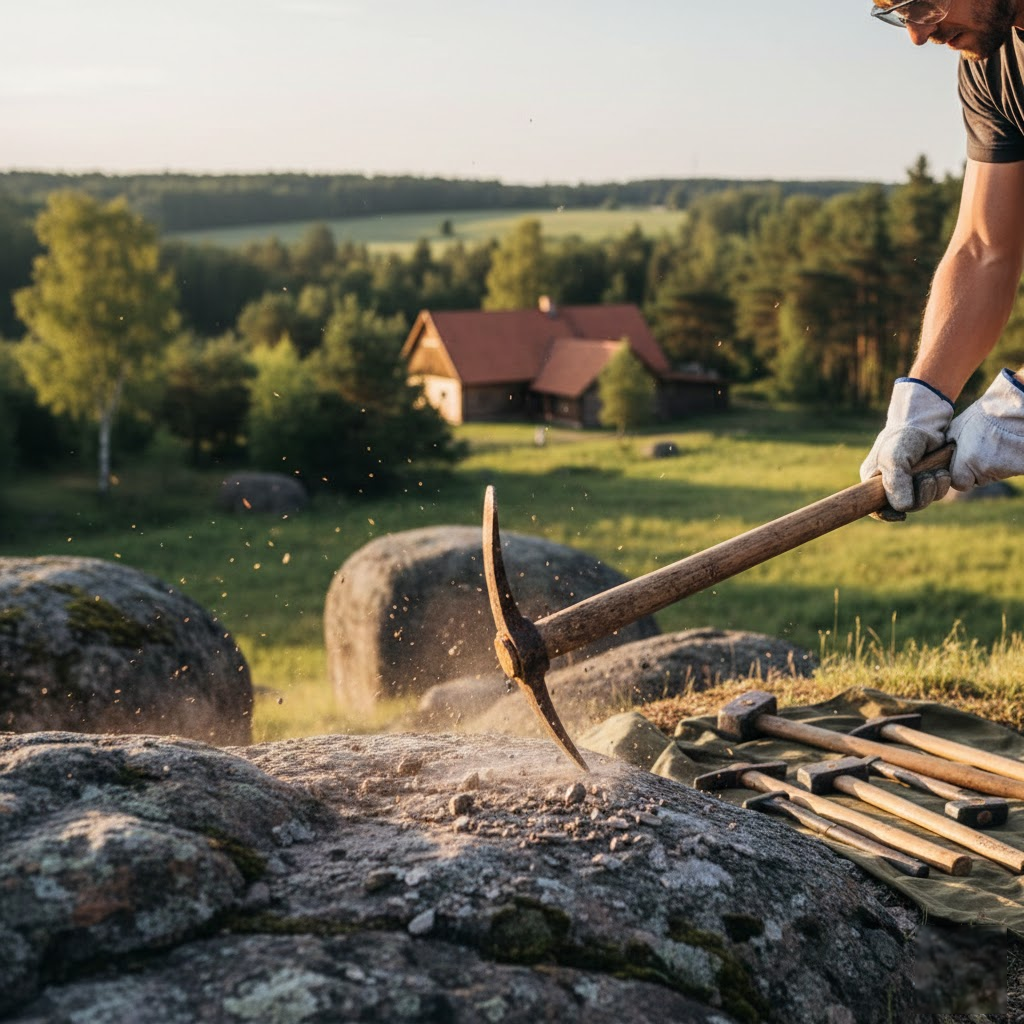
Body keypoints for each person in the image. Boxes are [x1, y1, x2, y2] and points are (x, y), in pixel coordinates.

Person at [861, 0, 1024, 519]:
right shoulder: (990, 63)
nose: (916, 35)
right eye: (894, 12)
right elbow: (984, 246)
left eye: (920, 3)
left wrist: (1017, 409)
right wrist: (921, 404)